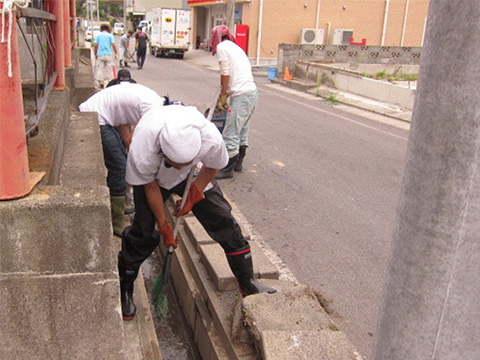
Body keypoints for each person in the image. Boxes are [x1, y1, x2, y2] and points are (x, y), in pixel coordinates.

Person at [118, 105, 276, 320]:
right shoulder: (143, 148)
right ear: (163, 152)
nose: (181, 168)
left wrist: (194, 194)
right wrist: (164, 228)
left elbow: (213, 166)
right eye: (176, 165)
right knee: (143, 232)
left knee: (222, 218)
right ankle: (125, 291)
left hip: (195, 175)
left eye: (186, 163)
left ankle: (247, 282)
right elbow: (151, 187)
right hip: (155, 179)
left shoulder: (209, 137)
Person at [78, 82, 166, 236]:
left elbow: (124, 120)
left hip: (100, 113)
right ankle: (116, 219)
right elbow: (139, 138)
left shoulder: (152, 100)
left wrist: (127, 142)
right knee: (119, 167)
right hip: (96, 116)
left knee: (122, 160)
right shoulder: (154, 109)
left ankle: (117, 203)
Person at [211, 25, 258, 179]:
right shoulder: (236, 48)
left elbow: (225, 73)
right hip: (251, 93)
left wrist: (223, 96)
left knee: (231, 131)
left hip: (241, 95)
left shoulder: (222, 47)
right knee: (242, 129)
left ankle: (227, 169)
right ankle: (238, 163)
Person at [93, 24, 118, 89]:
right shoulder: (110, 36)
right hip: (108, 55)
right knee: (109, 69)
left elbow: (95, 45)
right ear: (108, 29)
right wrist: (116, 53)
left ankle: (100, 82)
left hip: (100, 55)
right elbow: (114, 45)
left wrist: (95, 53)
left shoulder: (98, 36)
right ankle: (108, 82)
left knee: (100, 68)